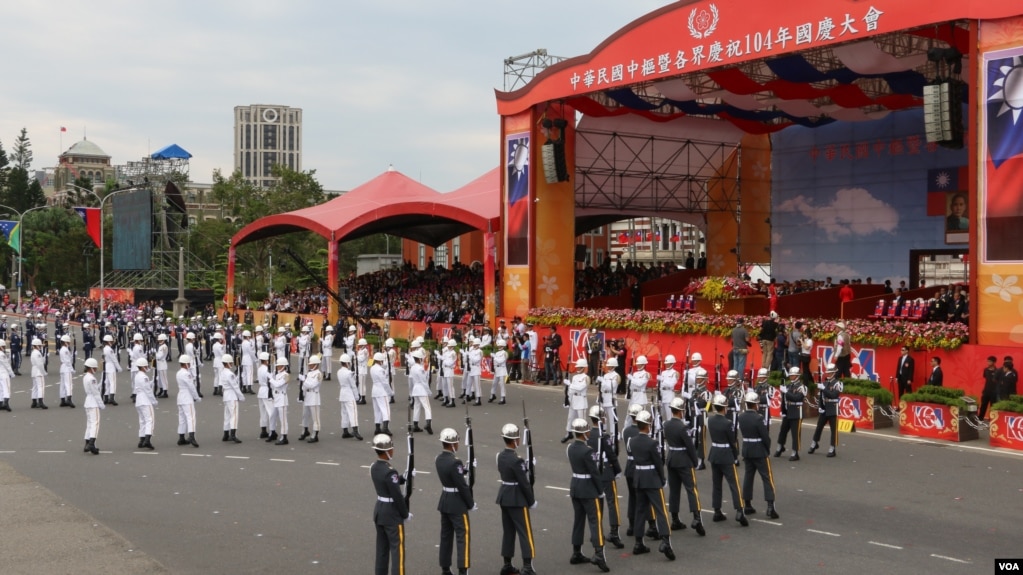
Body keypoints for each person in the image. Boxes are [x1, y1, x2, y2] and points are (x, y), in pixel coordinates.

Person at [627, 410, 675, 560]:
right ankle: (665, 540)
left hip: (639, 478)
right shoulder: (652, 443)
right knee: (660, 511)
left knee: (640, 511)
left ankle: (638, 542)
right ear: (647, 426)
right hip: (652, 479)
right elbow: (658, 463)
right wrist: (662, 479)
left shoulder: (632, 441)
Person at [566, 418, 610, 572]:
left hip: (576, 487)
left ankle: (576, 552)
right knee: (594, 521)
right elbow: (594, 473)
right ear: (584, 433)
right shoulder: (587, 451)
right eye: (587, 431)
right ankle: (598, 553)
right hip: (588, 489)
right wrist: (600, 491)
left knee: (579, 520)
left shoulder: (570, 448)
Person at [496, 423, 537, 575]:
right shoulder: (517, 460)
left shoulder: (501, 456)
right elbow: (524, 483)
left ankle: (507, 564)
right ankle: (527, 566)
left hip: (504, 496)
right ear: (514, 440)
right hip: (517, 498)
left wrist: (524, 466)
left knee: (508, 532)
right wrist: (531, 500)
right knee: (525, 532)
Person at [664, 397, 705, 536]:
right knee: (691, 489)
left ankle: (675, 519)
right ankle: (696, 517)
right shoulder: (682, 427)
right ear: (681, 411)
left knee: (674, 490)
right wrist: (695, 461)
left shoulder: (667, 424)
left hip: (672, 459)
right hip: (683, 460)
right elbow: (690, 447)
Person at [436, 427, 475, 575]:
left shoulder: (439, 459)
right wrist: (470, 503)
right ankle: (463, 569)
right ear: (452, 444)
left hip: (445, 500)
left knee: (446, 536)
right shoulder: (455, 462)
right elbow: (462, 486)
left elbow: (452, 473)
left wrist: (464, 470)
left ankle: (445, 568)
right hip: (457, 503)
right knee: (462, 536)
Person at [707, 392, 748, 527]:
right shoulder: (727, 423)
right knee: (734, 484)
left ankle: (717, 510)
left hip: (714, 453)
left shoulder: (710, 420)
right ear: (724, 408)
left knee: (716, 484)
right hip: (725, 454)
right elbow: (732, 441)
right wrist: (735, 455)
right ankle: (739, 510)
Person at [371, 433, 410, 575]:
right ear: (387, 451)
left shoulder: (374, 467)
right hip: (391, 514)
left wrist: (402, 478)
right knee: (397, 551)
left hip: (379, 511)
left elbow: (386, 482)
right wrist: (405, 513)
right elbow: (397, 496)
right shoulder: (390, 471)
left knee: (382, 551)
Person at [587, 406, 625, 549]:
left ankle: (597, 532)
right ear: (602, 419)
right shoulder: (604, 436)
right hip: (606, 472)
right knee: (612, 502)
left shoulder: (588, 434)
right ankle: (614, 532)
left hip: (593, 474)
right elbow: (611, 455)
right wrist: (618, 470)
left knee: (598, 504)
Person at [737, 390, 778, 519]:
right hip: (759, 450)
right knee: (767, 477)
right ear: (755, 405)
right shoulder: (758, 417)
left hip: (747, 449)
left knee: (748, 477)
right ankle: (770, 506)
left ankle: (747, 503)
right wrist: (767, 448)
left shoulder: (741, 417)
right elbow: (765, 436)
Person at [809, 363, 842, 457]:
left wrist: (824, 389)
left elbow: (834, 395)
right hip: (824, 407)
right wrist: (820, 406)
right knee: (819, 427)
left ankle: (832, 447)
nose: (828, 374)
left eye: (830, 372)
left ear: (834, 373)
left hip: (833, 407)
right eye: (828, 372)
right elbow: (821, 396)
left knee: (833, 429)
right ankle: (814, 443)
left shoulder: (837, 383)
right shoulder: (824, 383)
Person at [775, 367, 807, 461]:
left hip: (797, 411)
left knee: (795, 433)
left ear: (797, 376)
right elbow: (784, 400)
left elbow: (797, 398)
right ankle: (780, 446)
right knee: (783, 431)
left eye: (793, 375)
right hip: (788, 411)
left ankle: (795, 452)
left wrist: (786, 392)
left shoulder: (802, 387)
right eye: (790, 375)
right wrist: (783, 410)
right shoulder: (788, 386)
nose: (791, 377)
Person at [175, 355, 201, 448]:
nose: (189, 365)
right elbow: (191, 386)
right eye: (188, 363)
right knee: (191, 417)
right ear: (186, 364)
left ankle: (181, 437)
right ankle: (191, 436)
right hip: (187, 397)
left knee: (182, 418)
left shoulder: (178, 373)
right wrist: (196, 397)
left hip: (180, 396)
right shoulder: (186, 374)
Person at [562, 358, 590, 443]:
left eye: (579, 367)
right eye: (577, 367)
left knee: (582, 420)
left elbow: (580, 388)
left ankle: (584, 436)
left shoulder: (586, 378)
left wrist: (570, 384)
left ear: (583, 367)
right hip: (574, 400)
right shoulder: (574, 377)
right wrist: (568, 400)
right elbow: (571, 391)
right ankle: (568, 433)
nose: (577, 368)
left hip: (581, 400)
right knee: (570, 418)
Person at [219, 354, 245, 443]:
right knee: (234, 415)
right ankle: (233, 434)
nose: (232, 363)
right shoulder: (229, 374)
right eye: (231, 362)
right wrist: (241, 396)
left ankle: (226, 434)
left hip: (226, 395)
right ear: (227, 363)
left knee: (227, 416)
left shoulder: (223, 372)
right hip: (232, 395)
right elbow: (235, 386)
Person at [133, 357, 158, 449]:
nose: (147, 367)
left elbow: (143, 386)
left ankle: (142, 439)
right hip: (145, 400)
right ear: (143, 367)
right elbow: (148, 390)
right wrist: (154, 401)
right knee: (149, 420)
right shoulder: (144, 377)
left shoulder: (137, 375)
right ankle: (147, 439)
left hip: (139, 400)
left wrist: (152, 382)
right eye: (146, 366)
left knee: (142, 420)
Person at [338, 353, 364, 440]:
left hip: (342, 394)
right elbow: (353, 386)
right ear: (347, 363)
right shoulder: (349, 373)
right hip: (349, 394)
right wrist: (357, 397)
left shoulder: (339, 372)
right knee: (353, 413)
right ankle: (355, 430)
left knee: (344, 413)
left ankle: (345, 430)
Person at [82, 358, 104, 454]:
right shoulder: (92, 378)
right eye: (94, 368)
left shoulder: (86, 377)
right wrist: (101, 404)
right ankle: (91, 443)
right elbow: (96, 393)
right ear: (91, 368)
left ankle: (87, 443)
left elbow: (92, 389)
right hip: (93, 402)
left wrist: (100, 384)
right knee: (95, 423)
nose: (96, 369)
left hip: (88, 401)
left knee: (90, 423)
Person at [409, 348, 433, 434]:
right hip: (421, 389)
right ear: (420, 359)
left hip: (415, 389)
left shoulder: (413, 368)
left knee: (417, 407)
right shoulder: (420, 369)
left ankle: (415, 425)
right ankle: (428, 424)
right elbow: (424, 381)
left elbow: (412, 380)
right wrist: (428, 391)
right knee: (427, 407)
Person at [300, 355, 323, 443]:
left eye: (311, 364)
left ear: (316, 365)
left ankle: (315, 433)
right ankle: (305, 430)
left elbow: (313, 385)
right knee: (305, 415)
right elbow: (304, 387)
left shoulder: (318, 374)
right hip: (307, 396)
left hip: (314, 397)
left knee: (315, 417)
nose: (309, 365)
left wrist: (305, 382)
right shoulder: (309, 373)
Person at [371, 351, 394, 436]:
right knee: (385, 410)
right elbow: (385, 383)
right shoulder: (381, 370)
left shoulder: (372, 368)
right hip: (381, 391)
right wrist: (390, 392)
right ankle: (385, 428)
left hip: (374, 391)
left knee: (377, 410)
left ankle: (377, 428)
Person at [256, 351, 277, 440]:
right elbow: (271, 380)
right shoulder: (267, 370)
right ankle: (272, 430)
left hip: (261, 391)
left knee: (263, 412)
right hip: (267, 391)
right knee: (271, 412)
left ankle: (263, 430)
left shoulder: (260, 368)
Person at [271, 357, 291, 445]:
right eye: (277, 366)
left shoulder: (286, 375)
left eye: (279, 366)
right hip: (276, 398)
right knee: (272, 416)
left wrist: (271, 379)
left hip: (282, 398)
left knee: (283, 419)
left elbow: (278, 384)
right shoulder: (277, 375)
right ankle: (272, 432)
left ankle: (284, 436)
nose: (278, 367)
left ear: (284, 366)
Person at [626, 355, 650, 426]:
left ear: (643, 364)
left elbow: (640, 384)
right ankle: (626, 430)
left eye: (639, 364)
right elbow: (632, 386)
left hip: (640, 397)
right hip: (633, 396)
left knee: (640, 417)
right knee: (629, 415)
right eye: (637, 364)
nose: (637, 365)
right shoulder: (635, 374)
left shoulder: (646, 374)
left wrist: (632, 379)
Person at [656, 354, 679, 423]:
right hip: (662, 396)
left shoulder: (675, 373)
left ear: (672, 363)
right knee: (658, 415)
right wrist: (658, 395)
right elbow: (659, 385)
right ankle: (657, 431)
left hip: (669, 396)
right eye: (665, 363)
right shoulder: (663, 372)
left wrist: (662, 380)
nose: (666, 364)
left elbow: (671, 384)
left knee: (670, 417)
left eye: (668, 363)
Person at [30, 338, 47, 409]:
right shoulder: (37, 353)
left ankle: (34, 401)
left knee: (35, 387)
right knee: (41, 386)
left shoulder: (34, 352)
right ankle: (40, 401)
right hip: (38, 371)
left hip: (34, 371)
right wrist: (44, 372)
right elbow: (40, 364)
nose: (40, 347)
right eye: (39, 346)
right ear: (36, 346)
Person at [490, 339, 508, 404]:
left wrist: (494, 357)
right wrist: (494, 369)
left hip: (502, 370)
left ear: (503, 346)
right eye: (499, 346)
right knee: (494, 383)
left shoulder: (505, 353)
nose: (499, 347)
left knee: (502, 385)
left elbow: (501, 361)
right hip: (497, 370)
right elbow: (495, 362)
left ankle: (503, 398)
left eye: (500, 346)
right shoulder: (497, 353)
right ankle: (493, 395)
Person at [155, 334, 170, 398]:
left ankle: (165, 392)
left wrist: (155, 353)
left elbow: (160, 356)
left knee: (163, 379)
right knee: (160, 379)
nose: (159, 341)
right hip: (159, 364)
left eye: (160, 340)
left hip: (162, 364)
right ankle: (161, 390)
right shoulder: (161, 346)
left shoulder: (164, 347)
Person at [0, 340, 12, 411]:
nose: (4, 348)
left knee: (1, 389)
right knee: (6, 388)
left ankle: (1, 403)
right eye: (3, 346)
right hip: (4, 373)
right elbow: (6, 365)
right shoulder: (2, 354)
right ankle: (6, 403)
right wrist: (11, 373)